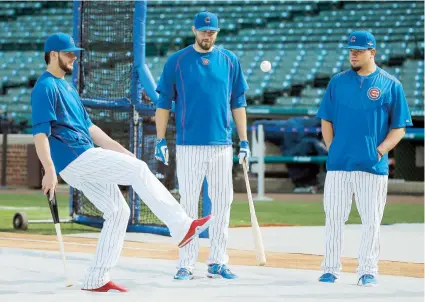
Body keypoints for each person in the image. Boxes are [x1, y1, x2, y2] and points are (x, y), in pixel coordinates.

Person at [30, 33, 213, 292]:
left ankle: (97, 278)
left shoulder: (68, 88)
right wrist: (49, 169)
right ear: (53, 55)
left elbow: (91, 129)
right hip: (76, 158)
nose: (74, 56)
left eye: (74, 52)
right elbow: (40, 133)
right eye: (69, 52)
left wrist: (122, 151)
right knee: (138, 170)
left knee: (118, 212)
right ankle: (182, 226)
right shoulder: (45, 87)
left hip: (82, 158)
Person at [154, 12, 250, 280]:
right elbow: (163, 103)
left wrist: (243, 141)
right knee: (188, 205)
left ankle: (218, 261)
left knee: (222, 203)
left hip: (221, 145)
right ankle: (186, 263)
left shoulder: (230, 60)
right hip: (188, 145)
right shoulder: (177, 61)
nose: (207, 35)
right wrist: (160, 138)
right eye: (203, 31)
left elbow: (238, 103)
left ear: (217, 32)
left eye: (212, 31)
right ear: (194, 30)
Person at [316, 31, 413, 286]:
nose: (354, 54)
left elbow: (400, 126)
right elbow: (326, 118)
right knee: (334, 218)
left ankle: (368, 270)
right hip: (339, 165)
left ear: (373, 52)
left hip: (372, 165)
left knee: (371, 220)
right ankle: (330, 268)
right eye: (351, 50)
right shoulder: (337, 82)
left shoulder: (390, 84)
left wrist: (380, 150)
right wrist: (331, 147)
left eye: (359, 50)